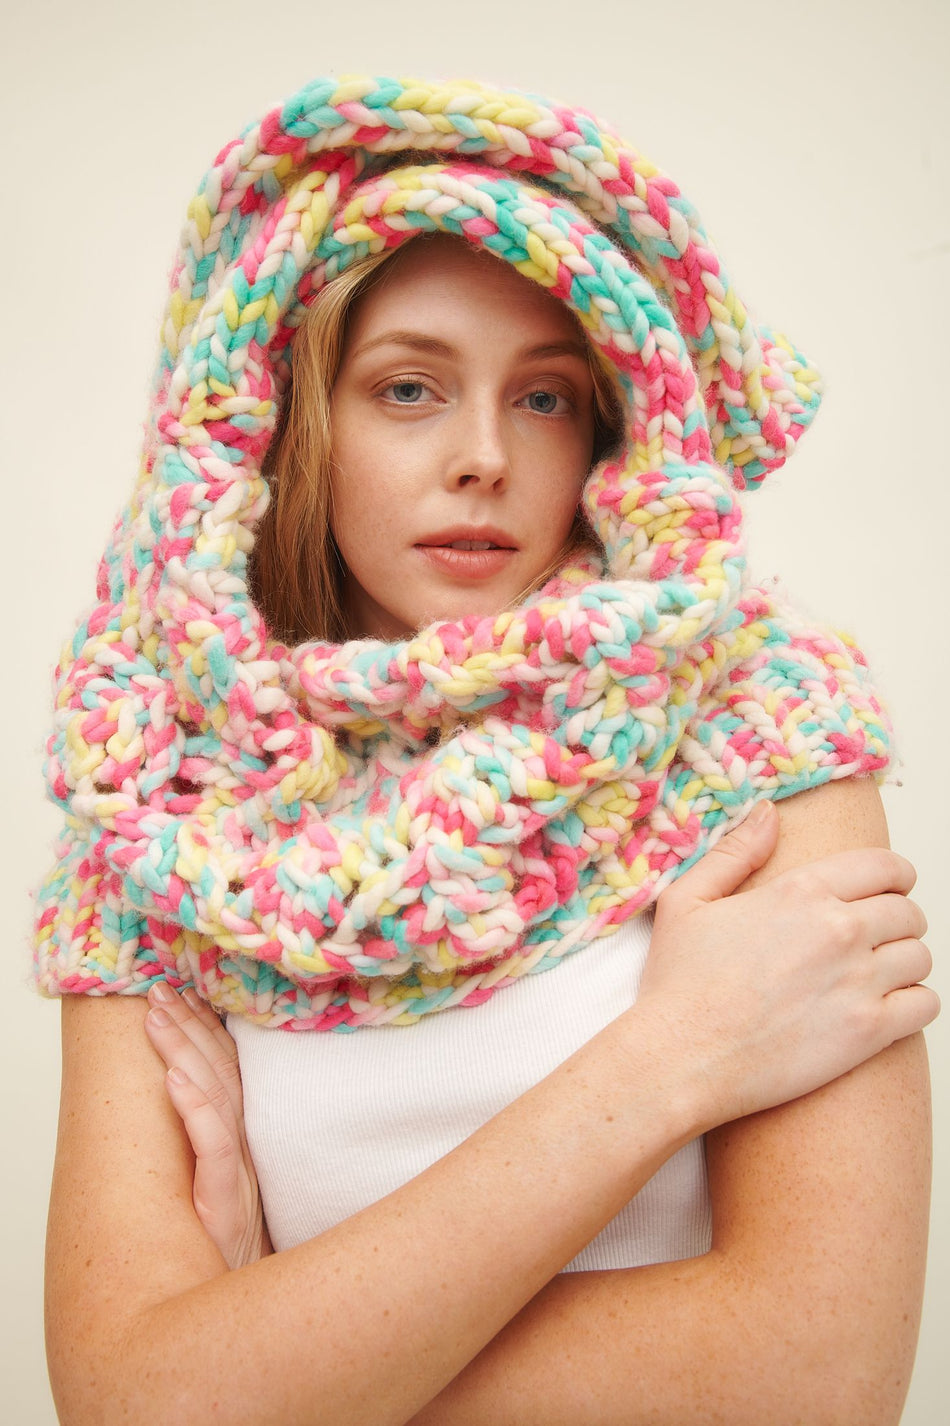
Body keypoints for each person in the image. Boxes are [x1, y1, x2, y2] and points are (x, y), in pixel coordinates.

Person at [37, 76, 937, 1425]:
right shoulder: (157, 802)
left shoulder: (752, 717)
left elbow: (820, 1373)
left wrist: (279, 1340)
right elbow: (131, 1403)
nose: (482, 457)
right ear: (290, 419)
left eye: (545, 398)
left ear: (610, 427)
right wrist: (671, 1059)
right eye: (408, 388)